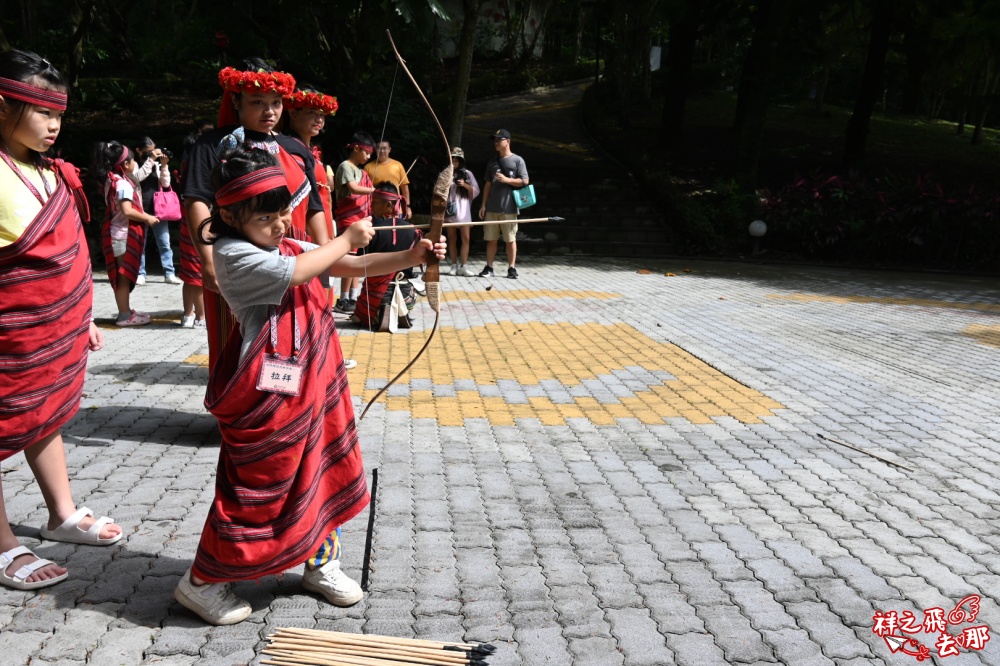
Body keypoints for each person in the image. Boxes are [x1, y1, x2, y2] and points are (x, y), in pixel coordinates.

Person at [173, 146, 445, 625]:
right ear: (232, 215)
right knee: (260, 487)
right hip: (269, 401)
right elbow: (302, 272)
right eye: (267, 217)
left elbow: (354, 268)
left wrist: (412, 254)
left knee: (322, 472)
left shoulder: (284, 244)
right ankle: (203, 582)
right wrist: (347, 237)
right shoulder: (235, 255)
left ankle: (320, 564)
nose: (280, 225)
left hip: (312, 389)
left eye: (284, 213)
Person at [0, 48, 123, 592]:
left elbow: (68, 255)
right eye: (42, 112)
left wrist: (83, 314)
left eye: (59, 115)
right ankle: (1, 542)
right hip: (9, 336)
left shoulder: (49, 171)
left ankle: (60, 512)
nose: (54, 126)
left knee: (44, 414)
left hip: (52, 334)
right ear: (3, 106)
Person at [183, 59, 328, 368]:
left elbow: (314, 206)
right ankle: (235, 406)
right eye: (258, 102)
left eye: (276, 103)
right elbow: (196, 201)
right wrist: (208, 262)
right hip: (240, 257)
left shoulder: (295, 147)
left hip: (297, 254)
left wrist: (326, 255)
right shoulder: (213, 145)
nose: (269, 111)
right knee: (231, 336)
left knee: (298, 332)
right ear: (236, 101)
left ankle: (295, 408)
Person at [93, 140, 161, 326]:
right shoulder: (123, 184)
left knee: (121, 276)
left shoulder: (110, 180)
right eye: (133, 161)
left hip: (116, 235)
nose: (135, 164)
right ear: (125, 164)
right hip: (122, 236)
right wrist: (147, 217)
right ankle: (124, 315)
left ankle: (126, 310)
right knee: (123, 278)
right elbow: (127, 211)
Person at [351, 183, 420, 329]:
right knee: (407, 287)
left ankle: (382, 308)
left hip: (376, 295)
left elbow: (360, 264)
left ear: (388, 204)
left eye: (375, 202)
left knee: (357, 316)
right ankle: (400, 308)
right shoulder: (414, 231)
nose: (372, 206)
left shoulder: (374, 231)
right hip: (406, 294)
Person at [333, 131, 376, 314]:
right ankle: (343, 298)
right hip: (348, 218)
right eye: (366, 153)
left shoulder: (362, 171)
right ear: (356, 148)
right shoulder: (346, 166)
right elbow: (352, 188)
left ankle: (353, 295)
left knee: (358, 259)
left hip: (361, 218)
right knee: (349, 258)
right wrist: (373, 190)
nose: (367, 157)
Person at [478, 129, 528, 279]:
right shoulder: (492, 162)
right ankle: (489, 267)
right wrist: (483, 205)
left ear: (508, 141)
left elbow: (525, 181)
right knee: (491, 239)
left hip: (510, 208)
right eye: (495, 140)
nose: (496, 142)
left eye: (499, 139)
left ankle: (511, 268)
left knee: (510, 239)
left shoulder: (518, 160)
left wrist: (507, 180)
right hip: (492, 207)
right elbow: (487, 184)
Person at [177, 123, 212, 328]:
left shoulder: (185, 164)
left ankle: (187, 314)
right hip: (198, 219)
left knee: (188, 272)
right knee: (198, 272)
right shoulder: (199, 165)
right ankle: (201, 317)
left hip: (185, 219)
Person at [132, 136, 178, 285]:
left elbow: (166, 184)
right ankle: (140, 273)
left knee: (164, 243)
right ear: (138, 151)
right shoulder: (134, 165)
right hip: (140, 209)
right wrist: (150, 159)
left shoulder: (157, 165)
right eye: (147, 152)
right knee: (141, 243)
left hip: (159, 209)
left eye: (153, 151)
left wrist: (164, 166)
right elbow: (139, 177)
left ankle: (169, 273)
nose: (151, 154)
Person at [444, 147, 479, 277]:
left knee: (466, 237)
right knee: (452, 238)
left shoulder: (467, 173)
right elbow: (439, 191)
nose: (455, 163)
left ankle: (464, 265)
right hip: (450, 207)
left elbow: (475, 190)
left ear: (461, 161)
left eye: (457, 160)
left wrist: (463, 184)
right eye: (452, 160)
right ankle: (454, 264)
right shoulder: (446, 173)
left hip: (463, 208)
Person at [363, 140, 412, 220]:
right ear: (375, 150)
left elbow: (404, 188)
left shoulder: (398, 165)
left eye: (384, 148)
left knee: (396, 232)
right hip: (376, 210)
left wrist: (408, 207)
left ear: (389, 150)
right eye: (379, 148)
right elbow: (365, 190)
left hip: (396, 209)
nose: (382, 151)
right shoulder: (368, 167)